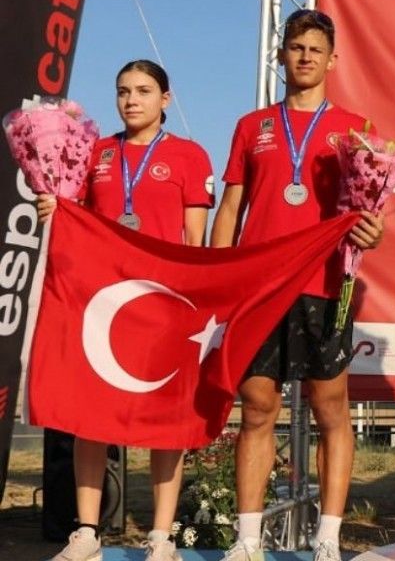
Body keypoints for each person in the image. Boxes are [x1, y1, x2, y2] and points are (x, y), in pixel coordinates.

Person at [211, 9, 384, 561]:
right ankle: (247, 540)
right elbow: (231, 207)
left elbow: (368, 212)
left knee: (329, 408)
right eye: (296, 47)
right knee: (257, 407)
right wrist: (218, 280)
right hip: (258, 287)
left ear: (332, 60)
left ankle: (327, 539)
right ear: (281, 55)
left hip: (324, 284)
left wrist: (374, 232)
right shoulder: (251, 126)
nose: (305, 57)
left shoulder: (355, 129)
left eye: (316, 49)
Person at [41, 60, 215, 561]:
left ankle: (161, 537)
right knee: (90, 417)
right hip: (103, 303)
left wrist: (189, 304)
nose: (131, 100)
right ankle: (86, 533)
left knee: (166, 421)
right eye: (123, 91)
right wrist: (53, 207)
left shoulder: (189, 155)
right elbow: (74, 222)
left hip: (163, 305)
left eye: (143, 90)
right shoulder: (94, 152)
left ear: (166, 98)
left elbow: (195, 242)